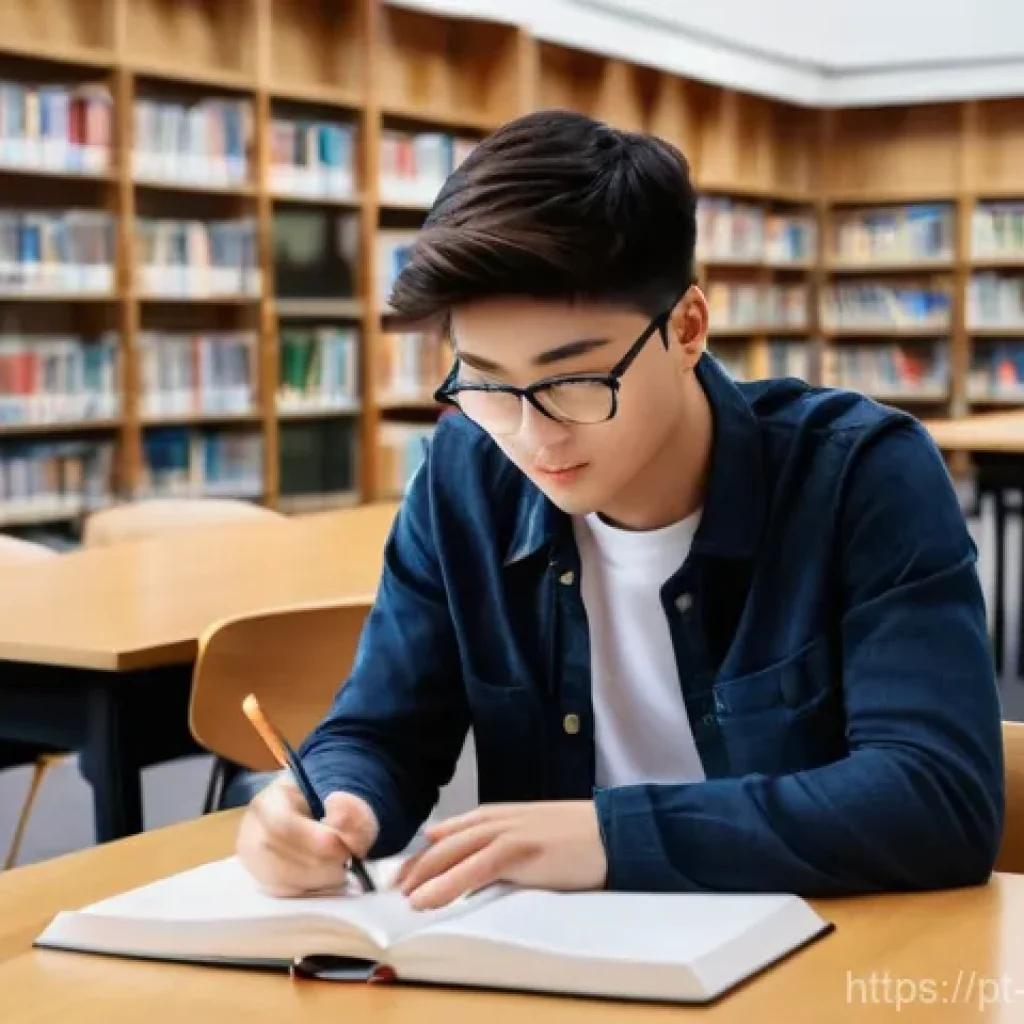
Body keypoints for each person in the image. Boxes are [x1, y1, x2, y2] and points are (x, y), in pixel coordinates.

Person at [237, 109, 1004, 911]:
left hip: (812, 958)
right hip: (566, 970)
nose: (532, 437)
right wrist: (332, 803)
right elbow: (382, 730)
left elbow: (937, 799)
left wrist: (611, 835)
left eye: (574, 379)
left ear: (687, 329)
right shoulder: (464, 479)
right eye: (489, 384)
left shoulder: (861, 476)